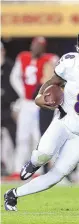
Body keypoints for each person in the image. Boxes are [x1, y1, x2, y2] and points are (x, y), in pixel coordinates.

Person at [4, 25, 79, 211]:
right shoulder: (69, 63)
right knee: (43, 154)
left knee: (57, 175)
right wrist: (40, 96)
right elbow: (52, 82)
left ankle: (13, 195)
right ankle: (33, 163)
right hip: (62, 122)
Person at [8, 37, 59, 180]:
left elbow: (57, 69)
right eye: (35, 45)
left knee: (39, 137)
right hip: (26, 102)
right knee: (22, 137)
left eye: (40, 46)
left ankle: (37, 170)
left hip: (40, 103)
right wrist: (23, 93)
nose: (36, 48)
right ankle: (18, 169)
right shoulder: (23, 57)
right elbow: (14, 77)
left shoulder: (50, 58)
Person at [1, 42, 18, 175]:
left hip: (8, 108)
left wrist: (16, 106)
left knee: (16, 139)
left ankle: (15, 168)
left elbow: (16, 88)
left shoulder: (11, 67)